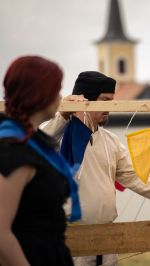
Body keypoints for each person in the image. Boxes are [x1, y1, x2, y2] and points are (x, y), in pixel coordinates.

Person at [42, 71, 150, 266]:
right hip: (70, 238)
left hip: (107, 237)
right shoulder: (57, 135)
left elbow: (136, 178)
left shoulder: (110, 141)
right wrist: (63, 114)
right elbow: (34, 143)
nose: (109, 107)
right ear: (86, 100)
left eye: (112, 101)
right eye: (105, 101)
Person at [0, 56, 74, 265]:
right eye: (57, 90)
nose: (60, 97)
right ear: (40, 94)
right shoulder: (14, 150)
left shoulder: (35, 143)